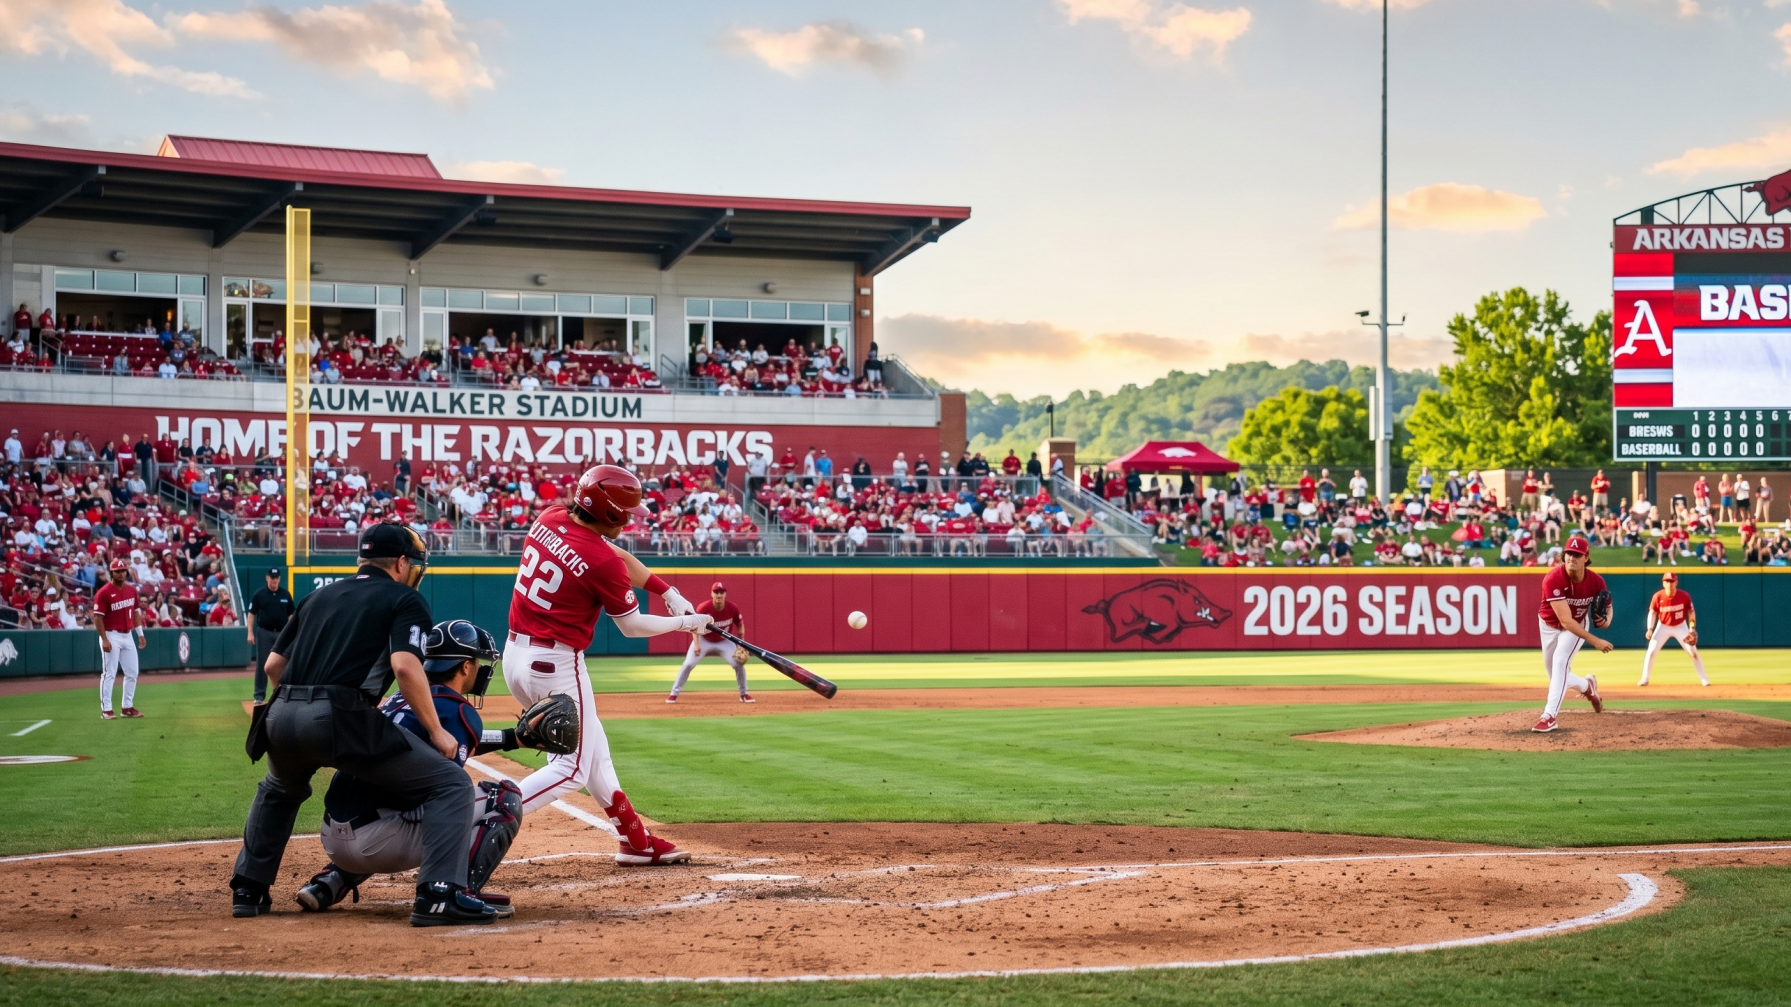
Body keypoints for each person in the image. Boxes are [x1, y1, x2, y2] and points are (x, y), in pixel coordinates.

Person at [232, 524, 496, 927]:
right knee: (451, 784)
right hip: (341, 714)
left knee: (279, 789)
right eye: (414, 563)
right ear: (402, 562)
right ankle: (439, 896)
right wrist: (437, 731)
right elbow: (406, 666)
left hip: (280, 712)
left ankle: (248, 890)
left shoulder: (317, 596)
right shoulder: (405, 598)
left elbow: (273, 666)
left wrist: (299, 704)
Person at [502, 464, 713, 866]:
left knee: (594, 751)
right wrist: (687, 622)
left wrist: (666, 591)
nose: (631, 520)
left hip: (517, 659)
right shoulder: (600, 561)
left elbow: (613, 553)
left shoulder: (551, 517)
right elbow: (632, 626)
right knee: (573, 768)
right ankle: (480, 815)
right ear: (611, 513)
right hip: (557, 664)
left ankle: (634, 839)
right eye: (627, 513)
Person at [294, 620, 555, 918]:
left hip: (333, 836)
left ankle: (331, 880)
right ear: (465, 667)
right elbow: (445, 792)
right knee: (501, 796)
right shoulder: (458, 710)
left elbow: (433, 739)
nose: (480, 668)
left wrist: (511, 738)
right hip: (378, 843)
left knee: (386, 798)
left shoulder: (401, 698)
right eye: (477, 660)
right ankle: (454, 892)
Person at [1534, 534, 1611, 733]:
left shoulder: (1596, 581)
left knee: (1561, 662)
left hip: (1578, 624)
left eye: (1577, 554)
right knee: (1557, 677)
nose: (1572, 558)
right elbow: (1564, 621)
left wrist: (1607, 621)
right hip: (1550, 625)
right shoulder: (1553, 579)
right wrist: (1596, 641)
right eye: (1569, 553)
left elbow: (1608, 606)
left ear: (1586, 557)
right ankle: (1587, 686)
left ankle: (1548, 716)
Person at [667, 581, 750, 703]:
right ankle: (673, 694)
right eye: (716, 592)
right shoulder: (704, 608)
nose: (719, 595)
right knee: (688, 664)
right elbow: (694, 626)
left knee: (738, 664)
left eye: (721, 592)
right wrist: (696, 644)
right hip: (703, 639)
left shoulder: (732, 608)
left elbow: (740, 625)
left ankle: (744, 694)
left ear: (725, 594)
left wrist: (740, 643)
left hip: (724, 641)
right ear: (712, 594)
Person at [92, 559, 147, 720]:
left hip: (128, 634)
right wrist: (104, 639)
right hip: (111, 634)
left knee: (132, 672)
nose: (121, 573)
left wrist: (140, 634)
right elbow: (97, 618)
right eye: (118, 571)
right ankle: (106, 709)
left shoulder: (131, 590)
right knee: (109, 673)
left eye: (123, 570)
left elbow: (135, 613)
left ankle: (127, 707)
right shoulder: (104, 592)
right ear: (112, 572)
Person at [1640, 571, 1709, 687]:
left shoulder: (1684, 596)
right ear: (1663, 583)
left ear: (1676, 582)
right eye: (1667, 581)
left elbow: (1691, 612)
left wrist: (1691, 628)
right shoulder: (1658, 596)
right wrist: (1650, 628)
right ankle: (1644, 679)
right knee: (1651, 652)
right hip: (1663, 626)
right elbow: (1652, 612)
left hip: (1680, 626)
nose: (1669, 584)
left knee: (1693, 652)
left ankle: (1704, 679)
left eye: (1671, 581)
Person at [245, 567, 295, 704]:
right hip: (264, 632)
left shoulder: (285, 594)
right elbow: (251, 614)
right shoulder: (259, 594)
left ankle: (279, 693)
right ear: (267, 578)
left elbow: (291, 615)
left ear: (279, 578)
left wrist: (293, 634)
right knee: (262, 664)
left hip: (282, 633)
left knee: (283, 663)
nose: (274, 580)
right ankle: (259, 695)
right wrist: (250, 632)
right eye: (272, 578)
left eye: (276, 578)